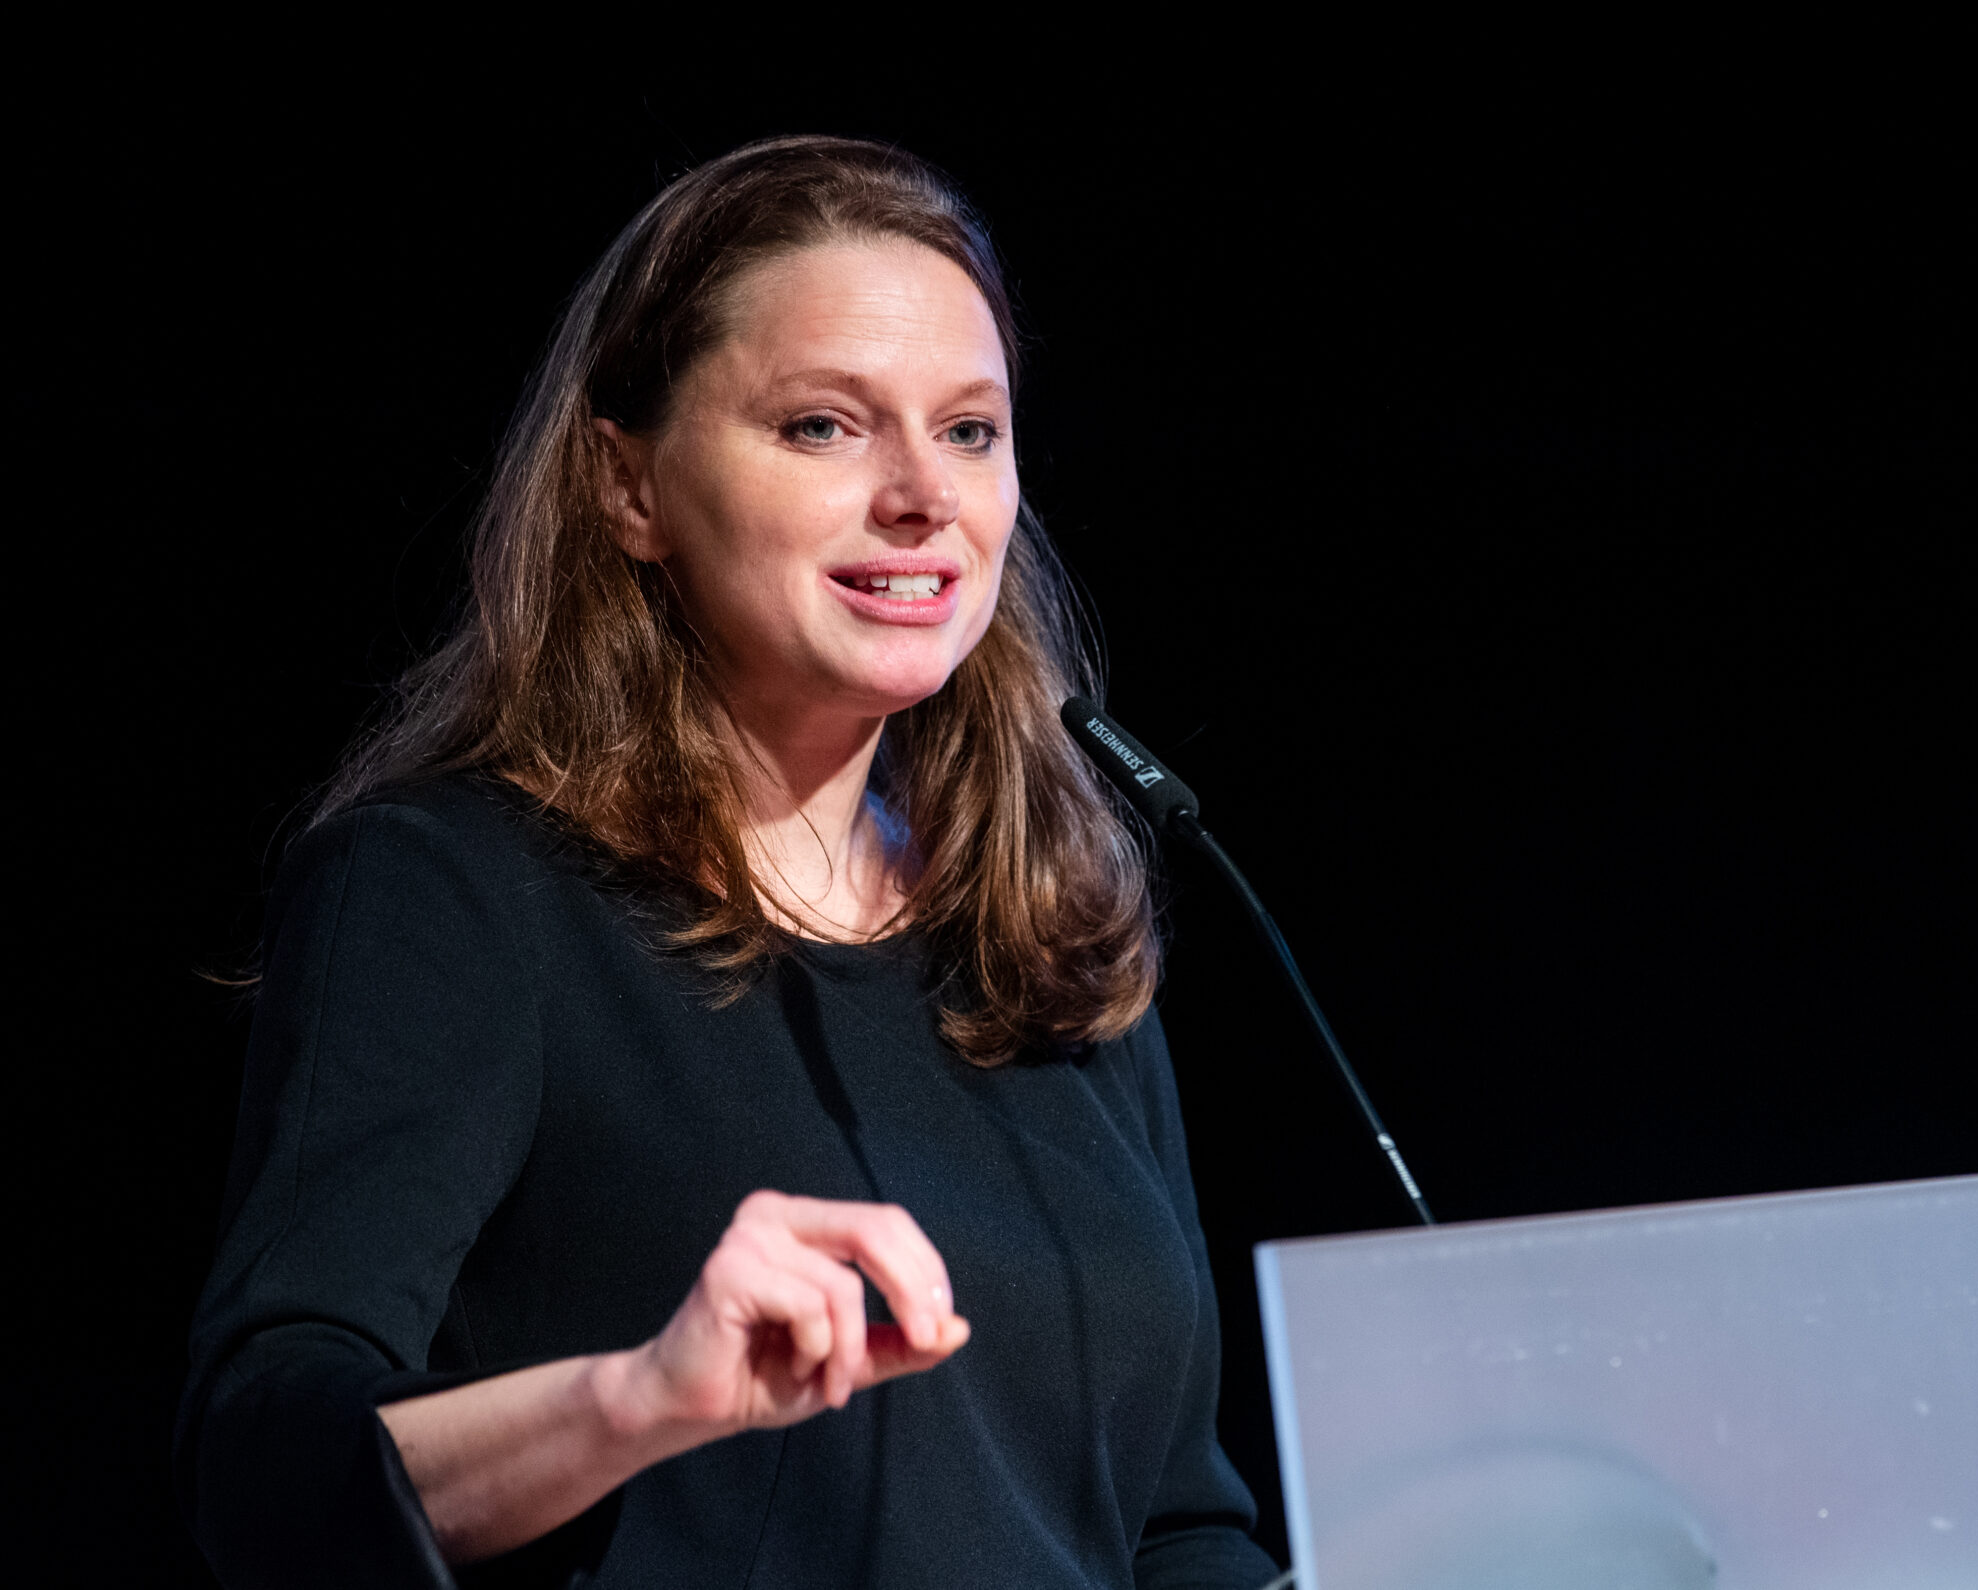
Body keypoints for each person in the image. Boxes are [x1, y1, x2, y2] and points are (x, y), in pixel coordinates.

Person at [177, 135, 1281, 1589]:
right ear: (629, 485)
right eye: (824, 425)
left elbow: (1176, 1528)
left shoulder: (1048, 943)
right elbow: (262, 1470)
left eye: (969, 430)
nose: (921, 496)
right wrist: (636, 1395)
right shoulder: (452, 894)